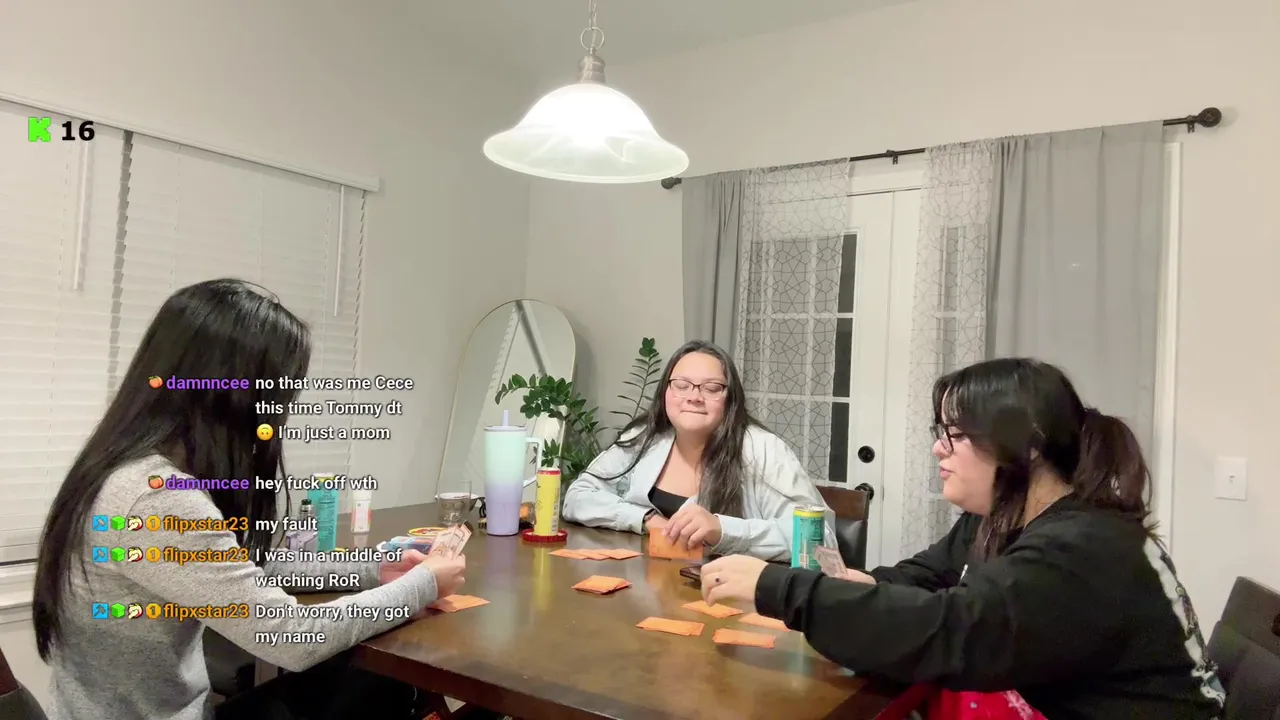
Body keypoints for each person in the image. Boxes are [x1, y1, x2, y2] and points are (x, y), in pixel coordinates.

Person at [32, 279, 467, 720]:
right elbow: (290, 636)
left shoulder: (121, 469)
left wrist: (373, 570)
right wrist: (424, 584)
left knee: (366, 682)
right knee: (377, 688)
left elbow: (238, 568)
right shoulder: (155, 499)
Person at [700, 358, 1226, 720]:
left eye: (955, 434)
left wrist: (778, 588)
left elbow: (950, 630)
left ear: (1028, 446)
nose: (938, 449)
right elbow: (926, 578)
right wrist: (862, 587)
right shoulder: (997, 517)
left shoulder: (1083, 544)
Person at [561, 340, 834, 561]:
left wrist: (722, 530)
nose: (694, 397)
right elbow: (577, 496)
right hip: (645, 587)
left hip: (733, 597)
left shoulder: (764, 450)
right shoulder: (644, 437)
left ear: (730, 399)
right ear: (665, 392)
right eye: (681, 385)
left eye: (712, 388)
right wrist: (645, 518)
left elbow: (820, 539)